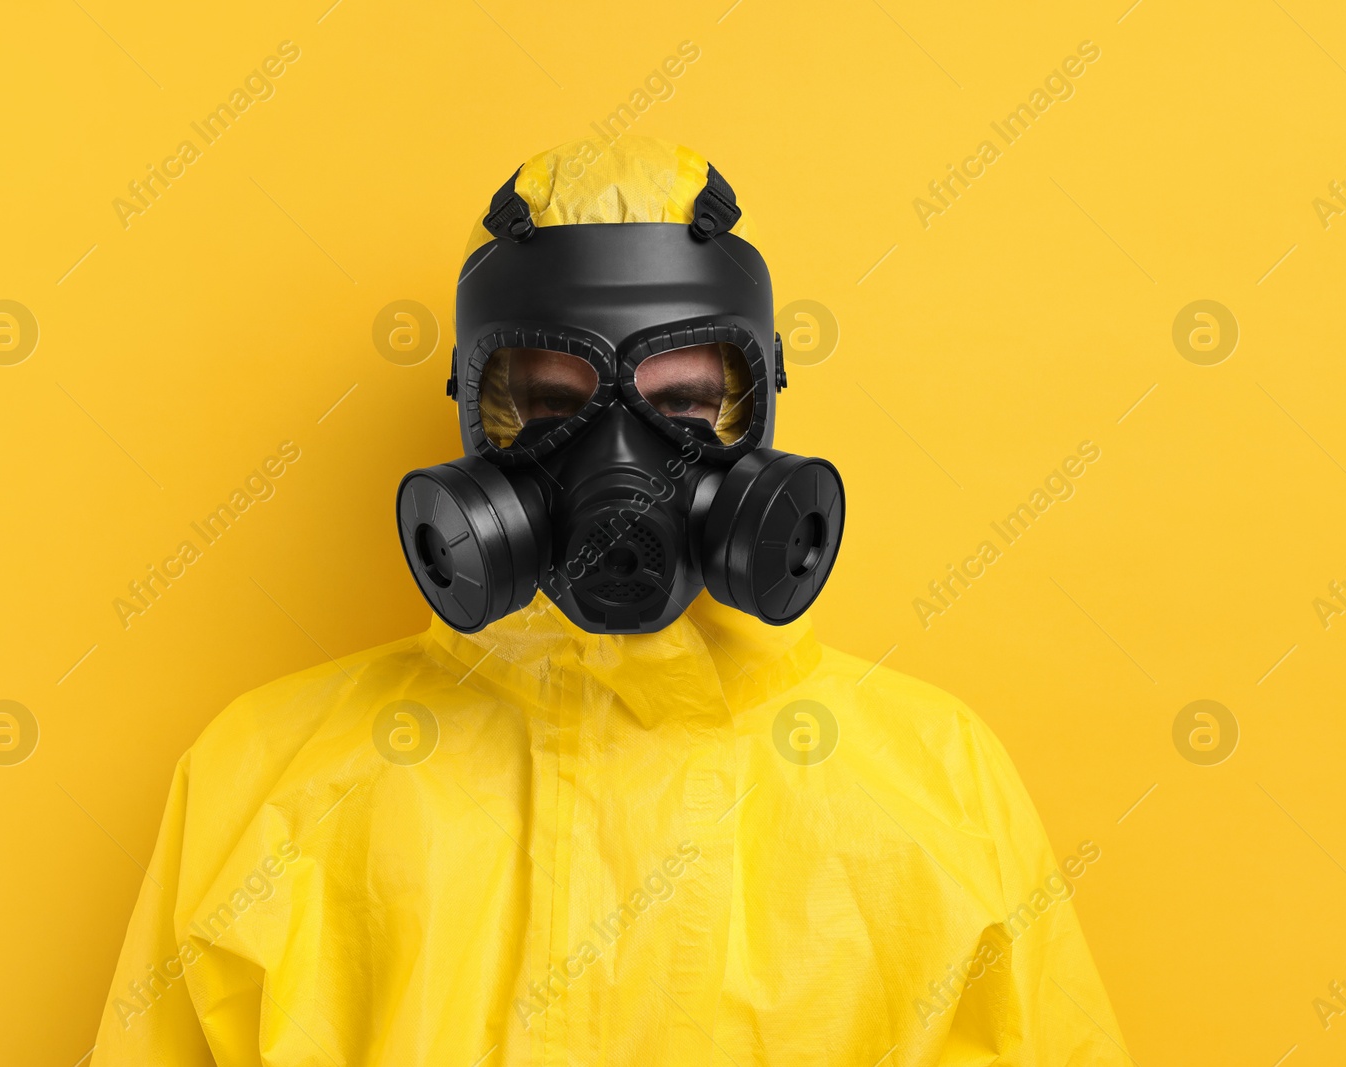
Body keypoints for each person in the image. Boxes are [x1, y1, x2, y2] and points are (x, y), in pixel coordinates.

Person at [92, 136, 1127, 1066]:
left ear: (753, 415)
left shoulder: (938, 781)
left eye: (681, 407)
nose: (619, 464)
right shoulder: (271, 777)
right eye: (553, 407)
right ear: (476, 417)